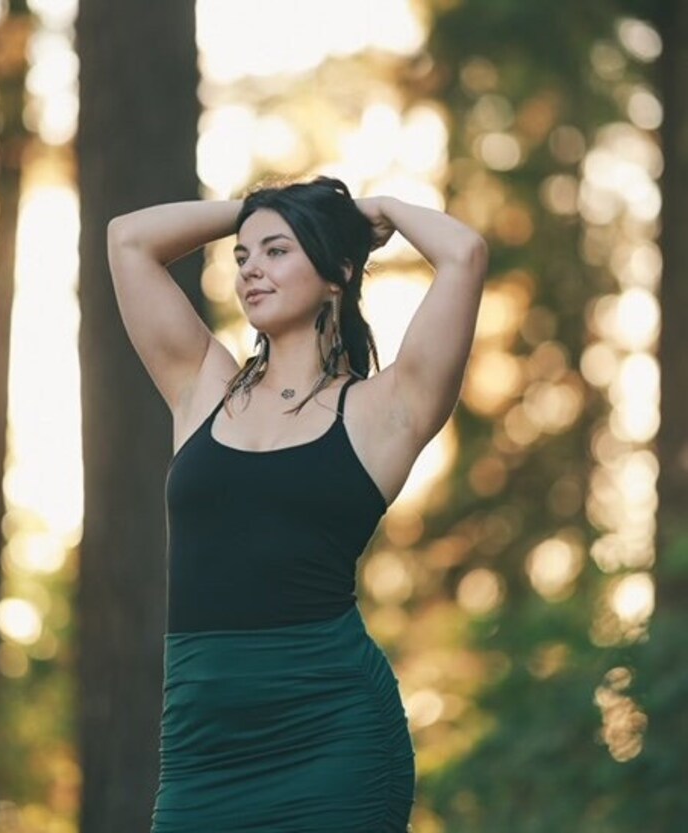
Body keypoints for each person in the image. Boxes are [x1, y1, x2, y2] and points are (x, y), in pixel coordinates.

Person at [107, 175, 488, 832]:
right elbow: (128, 239)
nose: (251, 267)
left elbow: (465, 254)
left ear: (337, 270)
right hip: (201, 749)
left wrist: (374, 212)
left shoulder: (382, 412)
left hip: (333, 738)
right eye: (243, 256)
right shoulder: (202, 388)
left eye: (276, 251)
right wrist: (260, 214)